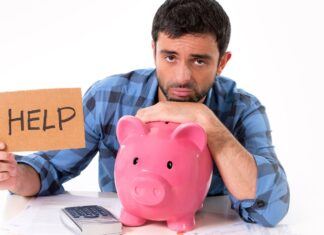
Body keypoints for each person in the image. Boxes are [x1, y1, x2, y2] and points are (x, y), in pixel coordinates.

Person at [0, 0, 289, 227]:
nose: (182, 76)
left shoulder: (243, 109)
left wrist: (207, 122)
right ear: (154, 51)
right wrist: (14, 176)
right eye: (170, 57)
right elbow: (49, 169)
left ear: (222, 62)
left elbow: (271, 207)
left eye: (199, 61)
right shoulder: (107, 96)